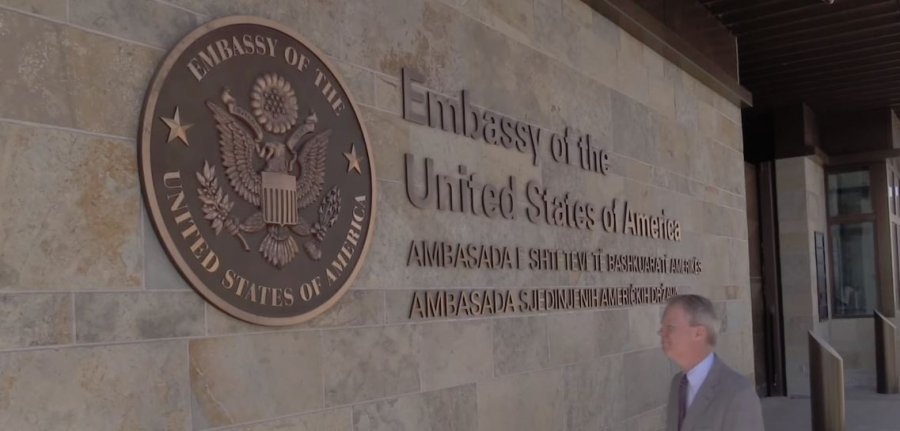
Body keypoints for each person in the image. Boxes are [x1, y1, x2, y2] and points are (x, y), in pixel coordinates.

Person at [658, 294, 764, 431]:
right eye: (662, 328)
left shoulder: (739, 394)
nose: (661, 333)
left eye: (670, 328)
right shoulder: (677, 384)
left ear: (699, 333)